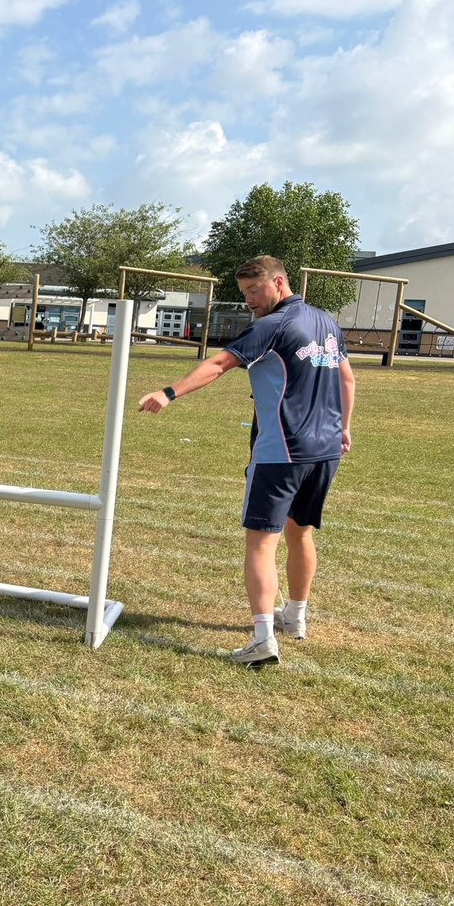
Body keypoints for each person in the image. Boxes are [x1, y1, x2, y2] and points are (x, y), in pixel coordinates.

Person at [138, 255, 355, 668]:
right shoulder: (326, 321)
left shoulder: (272, 325)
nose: (249, 300)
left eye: (254, 290)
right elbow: (347, 377)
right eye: (244, 293)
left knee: (261, 542)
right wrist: (343, 427)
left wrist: (168, 392)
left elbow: (220, 363)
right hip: (325, 450)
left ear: (278, 282)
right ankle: (295, 617)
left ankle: (262, 638)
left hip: (282, 452)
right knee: (300, 532)